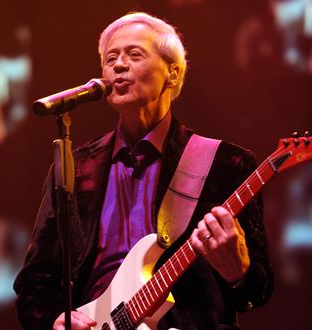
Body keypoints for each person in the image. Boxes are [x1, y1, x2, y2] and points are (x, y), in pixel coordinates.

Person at [14, 12, 273, 330]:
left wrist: (239, 272)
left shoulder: (225, 164)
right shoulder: (76, 167)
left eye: (134, 54)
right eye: (111, 58)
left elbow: (258, 290)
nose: (118, 65)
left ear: (173, 74)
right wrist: (54, 319)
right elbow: (35, 282)